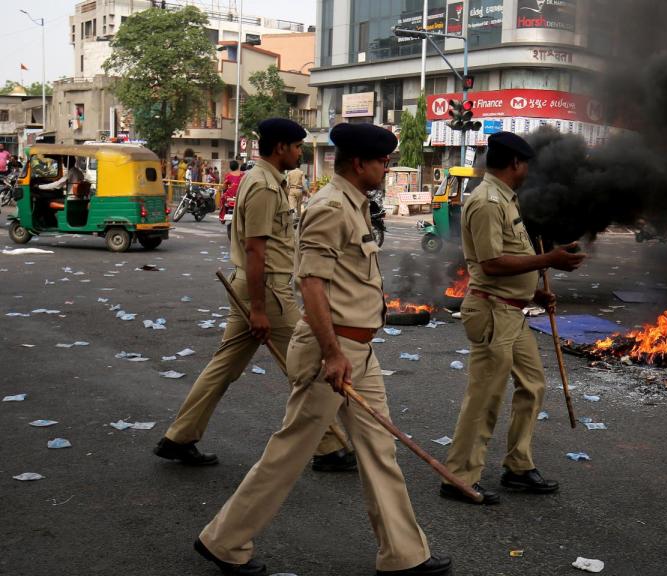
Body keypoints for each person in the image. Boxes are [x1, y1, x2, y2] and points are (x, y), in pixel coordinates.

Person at [195, 122, 452, 576]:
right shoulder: (330, 207)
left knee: (378, 448)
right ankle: (224, 541)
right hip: (329, 353)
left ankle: (403, 555)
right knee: (290, 450)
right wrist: (333, 354)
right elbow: (310, 282)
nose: (387, 168)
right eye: (383, 161)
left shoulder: (354, 206)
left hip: (358, 352)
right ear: (359, 163)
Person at [154, 118, 355, 473]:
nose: (299, 153)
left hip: (253, 288)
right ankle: (329, 447)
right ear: (280, 148)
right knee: (306, 364)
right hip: (267, 292)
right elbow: (255, 250)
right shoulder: (263, 185)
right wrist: (260, 309)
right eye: (296, 147)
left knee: (223, 367)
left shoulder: (264, 180)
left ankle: (179, 437)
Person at [440, 132, 587, 505]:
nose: (528, 172)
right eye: (526, 166)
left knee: (533, 384)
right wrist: (549, 260)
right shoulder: (488, 201)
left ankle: (518, 466)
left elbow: (508, 259)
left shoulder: (506, 199)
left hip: (511, 308)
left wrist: (533, 292)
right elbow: (491, 263)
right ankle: (458, 476)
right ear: (516, 164)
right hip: (492, 311)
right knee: (485, 398)